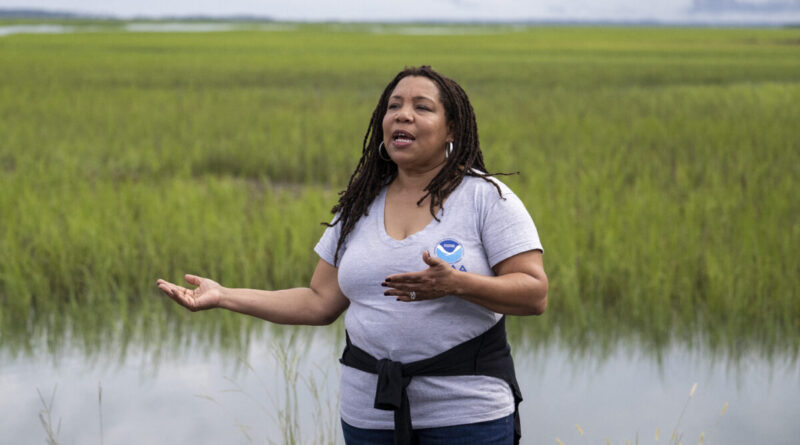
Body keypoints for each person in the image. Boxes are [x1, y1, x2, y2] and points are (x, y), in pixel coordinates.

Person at [156, 65, 547, 445]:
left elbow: (535, 293)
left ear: (452, 129)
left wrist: (457, 284)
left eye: (422, 107)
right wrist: (224, 296)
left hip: (467, 416)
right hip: (369, 416)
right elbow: (318, 302)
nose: (403, 116)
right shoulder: (360, 204)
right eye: (393, 106)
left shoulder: (485, 198)